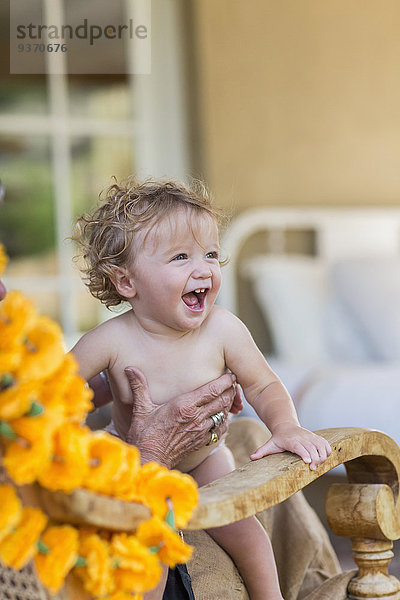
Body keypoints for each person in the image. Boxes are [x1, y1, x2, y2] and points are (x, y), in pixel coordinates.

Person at [72, 178, 332, 600]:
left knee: (245, 533)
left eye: (211, 254)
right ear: (126, 283)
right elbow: (50, 392)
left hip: (205, 460)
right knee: (146, 546)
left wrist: (286, 426)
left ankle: (271, 597)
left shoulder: (223, 328)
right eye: (180, 257)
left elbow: (263, 384)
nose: (204, 269)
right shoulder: (110, 341)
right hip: (135, 461)